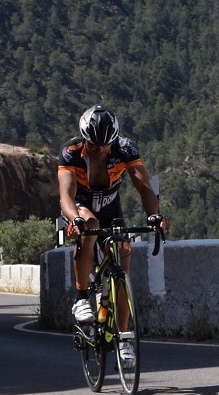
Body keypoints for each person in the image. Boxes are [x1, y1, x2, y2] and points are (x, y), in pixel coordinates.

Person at [58, 104, 168, 369]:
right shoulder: (71, 153)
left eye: (104, 145)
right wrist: (75, 220)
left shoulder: (125, 149)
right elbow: (66, 196)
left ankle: (124, 336)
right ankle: (82, 297)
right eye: (93, 144)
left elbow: (144, 188)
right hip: (80, 207)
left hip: (110, 208)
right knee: (90, 224)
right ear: (84, 138)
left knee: (123, 256)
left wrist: (153, 216)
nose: (98, 149)